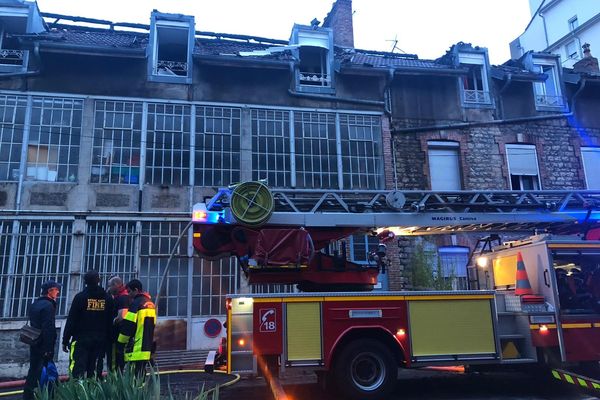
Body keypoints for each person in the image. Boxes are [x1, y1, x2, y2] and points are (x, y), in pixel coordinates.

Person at [62, 270, 114, 379]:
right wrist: (110, 340)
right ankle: (93, 393)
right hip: (100, 340)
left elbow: (72, 320)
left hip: (81, 340)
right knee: (95, 370)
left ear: (85, 282)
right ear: (99, 280)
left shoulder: (80, 297)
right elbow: (111, 321)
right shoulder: (108, 299)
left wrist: (65, 340)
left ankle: (77, 392)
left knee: (77, 369)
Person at [23, 280, 61, 400]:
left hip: (34, 342)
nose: (58, 292)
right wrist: (49, 349)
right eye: (56, 290)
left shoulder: (35, 303)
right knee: (46, 373)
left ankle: (28, 395)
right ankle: (48, 395)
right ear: (50, 291)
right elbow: (48, 329)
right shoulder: (49, 306)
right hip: (44, 345)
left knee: (33, 371)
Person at [117, 279, 156, 376]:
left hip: (135, 349)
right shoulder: (150, 304)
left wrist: (120, 342)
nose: (128, 294)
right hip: (146, 347)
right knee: (141, 376)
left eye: (129, 291)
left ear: (136, 290)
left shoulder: (136, 304)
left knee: (133, 378)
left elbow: (128, 326)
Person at [106, 276, 131, 372]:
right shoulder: (120, 297)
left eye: (110, 286)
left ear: (115, 285)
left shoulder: (123, 298)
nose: (108, 289)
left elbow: (122, 316)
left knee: (114, 361)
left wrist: (111, 321)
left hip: (117, 335)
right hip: (119, 335)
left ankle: (114, 381)